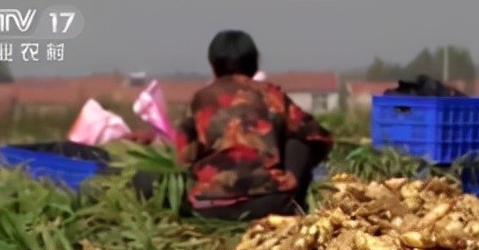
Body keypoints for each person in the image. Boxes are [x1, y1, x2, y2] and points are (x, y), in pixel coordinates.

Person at [131, 30, 333, 220]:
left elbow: (184, 158)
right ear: (254, 64)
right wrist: (292, 168)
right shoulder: (271, 94)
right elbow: (318, 136)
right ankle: (295, 202)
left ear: (213, 66)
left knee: (144, 176)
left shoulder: (200, 100)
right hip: (270, 203)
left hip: (210, 206)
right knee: (300, 137)